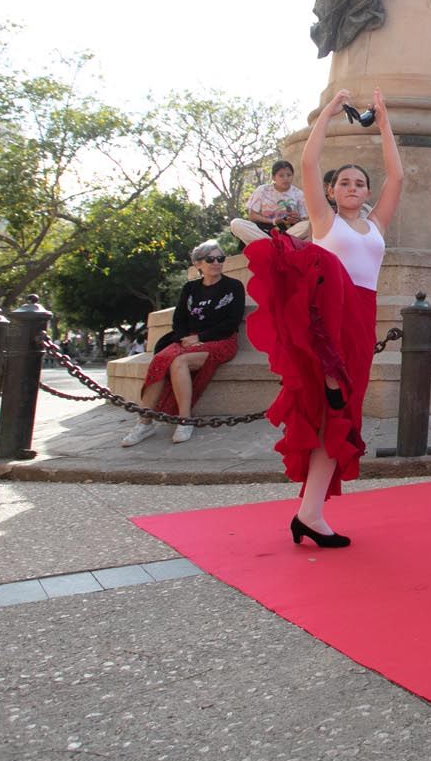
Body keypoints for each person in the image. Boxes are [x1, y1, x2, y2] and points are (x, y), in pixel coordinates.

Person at [244, 86, 406, 548]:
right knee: (327, 406)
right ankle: (309, 510)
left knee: (341, 417)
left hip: (361, 316)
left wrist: (385, 120)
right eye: (345, 184)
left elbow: (397, 177)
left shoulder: (375, 225)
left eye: (360, 184)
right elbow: (310, 165)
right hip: (326, 318)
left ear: (367, 193)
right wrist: (331, 112)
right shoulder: (324, 220)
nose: (353, 189)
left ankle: (309, 514)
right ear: (333, 192)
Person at [120, 241, 247, 448]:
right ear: (198, 264)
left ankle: (185, 420)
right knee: (161, 359)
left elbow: (231, 322)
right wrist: (183, 338)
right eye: (211, 259)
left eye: (220, 259)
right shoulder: (190, 288)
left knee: (179, 362)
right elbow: (179, 320)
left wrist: (200, 338)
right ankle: (145, 422)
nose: (216, 263)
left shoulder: (233, 287)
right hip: (188, 339)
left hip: (220, 340)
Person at [245, 161, 308, 234]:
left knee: (306, 225)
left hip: (289, 231)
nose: (286, 178)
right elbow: (252, 215)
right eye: (281, 176)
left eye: (289, 175)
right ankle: (269, 240)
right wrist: (274, 221)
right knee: (236, 223)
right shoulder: (262, 190)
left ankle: (283, 241)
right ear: (273, 177)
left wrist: (296, 219)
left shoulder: (298, 194)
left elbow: (304, 219)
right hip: (265, 229)